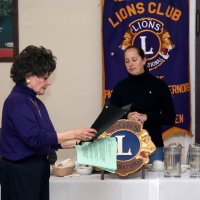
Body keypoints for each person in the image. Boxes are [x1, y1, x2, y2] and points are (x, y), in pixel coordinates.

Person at [0, 45, 96, 200]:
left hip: (36, 170)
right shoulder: (16, 101)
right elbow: (35, 138)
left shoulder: (36, 102)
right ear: (28, 76)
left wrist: (82, 141)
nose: (49, 82)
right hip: (21, 173)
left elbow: (50, 141)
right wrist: (73, 133)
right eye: (45, 77)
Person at [110, 45, 176, 163]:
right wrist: (127, 117)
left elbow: (170, 118)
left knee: (155, 181)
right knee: (127, 182)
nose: (130, 64)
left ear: (144, 60)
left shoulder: (159, 85)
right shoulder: (120, 87)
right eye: (127, 61)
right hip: (126, 149)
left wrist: (147, 117)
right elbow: (109, 118)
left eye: (134, 60)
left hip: (153, 147)